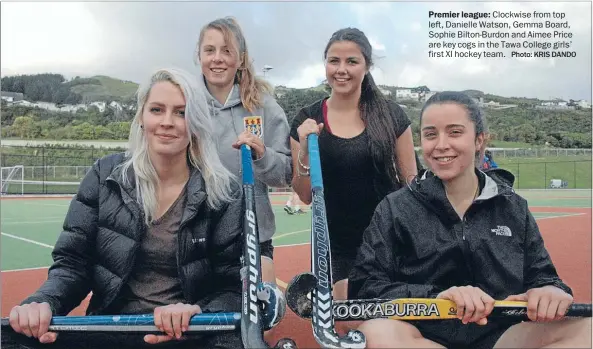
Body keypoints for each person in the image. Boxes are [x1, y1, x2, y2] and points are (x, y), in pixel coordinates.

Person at [7, 68, 246, 349]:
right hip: (110, 327)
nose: (167, 122)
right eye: (157, 109)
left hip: (187, 333)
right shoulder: (106, 174)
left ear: (197, 123)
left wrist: (197, 312)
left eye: (182, 113)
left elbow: (233, 285)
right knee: (10, 337)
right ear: (142, 117)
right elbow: (73, 265)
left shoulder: (224, 191)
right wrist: (44, 302)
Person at [348, 91, 591, 348]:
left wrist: (551, 292)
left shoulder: (513, 207)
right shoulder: (394, 208)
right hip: (422, 336)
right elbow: (365, 288)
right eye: (431, 134)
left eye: (454, 132)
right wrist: (438, 297)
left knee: (587, 330)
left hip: (501, 337)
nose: (441, 144)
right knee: (374, 334)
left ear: (479, 140)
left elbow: (542, 277)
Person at [290, 27, 419, 299]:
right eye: (334, 61)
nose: (341, 69)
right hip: (337, 245)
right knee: (351, 317)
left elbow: (412, 185)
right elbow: (303, 195)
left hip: (388, 237)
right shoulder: (307, 118)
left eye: (352, 61)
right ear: (325, 64)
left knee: (388, 320)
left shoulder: (391, 115)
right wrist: (304, 148)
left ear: (366, 66)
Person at [194, 17, 292, 284]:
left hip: (252, 234)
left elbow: (286, 173)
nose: (217, 59)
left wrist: (263, 156)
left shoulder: (264, 107)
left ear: (241, 59)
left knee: (262, 323)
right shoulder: (186, 105)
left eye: (227, 51)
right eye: (209, 50)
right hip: (196, 234)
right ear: (199, 56)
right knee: (198, 321)